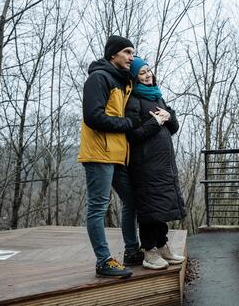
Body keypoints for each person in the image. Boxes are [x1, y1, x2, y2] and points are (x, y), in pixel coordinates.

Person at [78, 36, 145, 278]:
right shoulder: (99, 78)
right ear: (112, 55)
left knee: (132, 201)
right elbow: (93, 117)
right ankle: (103, 260)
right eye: (127, 52)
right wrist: (127, 123)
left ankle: (132, 251)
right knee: (97, 207)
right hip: (99, 153)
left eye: (133, 53)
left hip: (117, 154)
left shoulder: (122, 81)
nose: (131, 57)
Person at [125, 56, 186, 270]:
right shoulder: (132, 101)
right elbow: (132, 135)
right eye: (141, 73)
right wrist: (155, 122)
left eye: (148, 70)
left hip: (164, 166)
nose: (147, 74)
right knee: (150, 210)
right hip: (144, 166)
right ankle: (149, 251)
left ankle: (162, 245)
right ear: (134, 78)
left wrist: (169, 116)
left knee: (161, 207)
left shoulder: (157, 97)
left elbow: (174, 128)